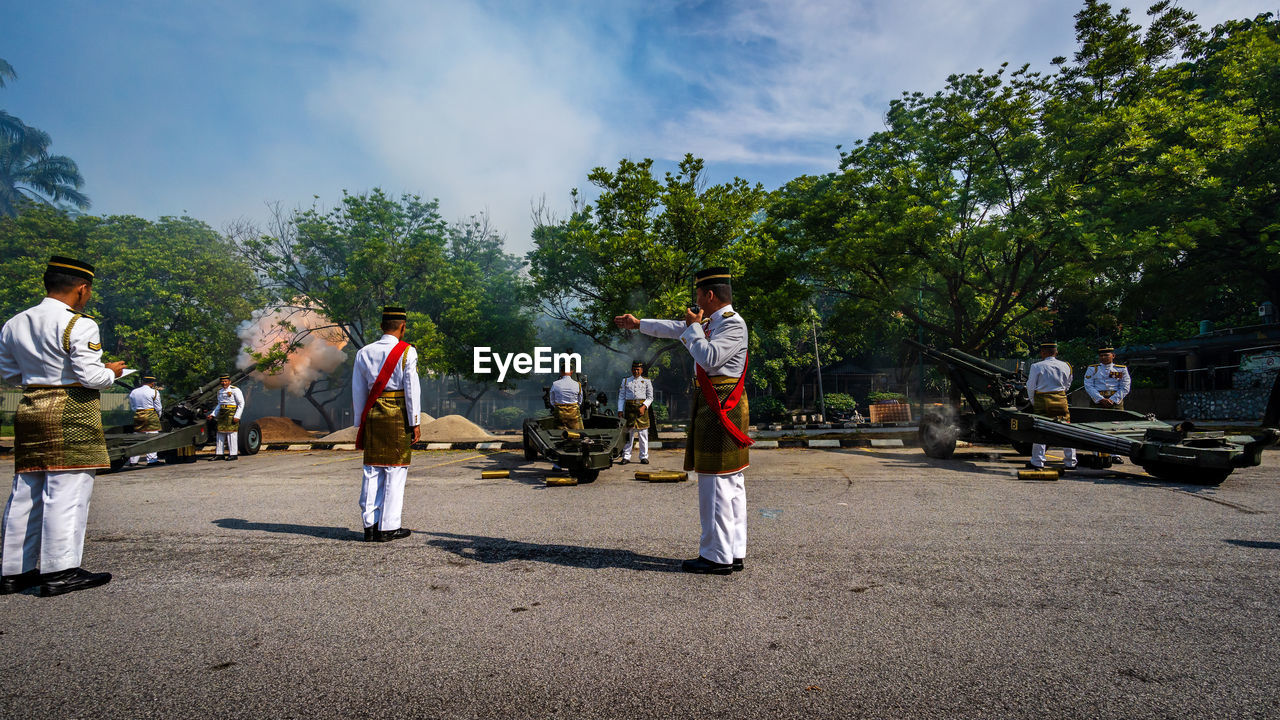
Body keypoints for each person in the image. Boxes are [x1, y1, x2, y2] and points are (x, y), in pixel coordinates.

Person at [0, 256, 126, 597]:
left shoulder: (14, 323)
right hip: (70, 413)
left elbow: (10, 375)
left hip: (30, 409)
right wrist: (112, 371)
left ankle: (14, 572)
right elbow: (91, 376)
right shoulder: (80, 324)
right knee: (67, 493)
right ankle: (61, 570)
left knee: (25, 490)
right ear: (82, 289)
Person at [615, 266, 751, 576]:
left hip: (720, 405)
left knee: (715, 481)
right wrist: (639, 325)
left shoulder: (733, 325)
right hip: (719, 403)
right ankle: (734, 549)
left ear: (710, 295)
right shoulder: (714, 322)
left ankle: (717, 556)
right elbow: (676, 328)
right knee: (730, 481)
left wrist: (693, 329)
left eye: (699, 295)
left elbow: (709, 357)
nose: (696, 301)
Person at [352, 306, 421, 543]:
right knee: (395, 469)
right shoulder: (407, 352)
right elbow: (411, 389)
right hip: (397, 414)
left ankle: (369, 526)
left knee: (371, 469)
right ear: (403, 327)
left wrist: (359, 421)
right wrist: (415, 421)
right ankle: (389, 527)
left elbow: (358, 390)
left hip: (372, 413)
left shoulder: (363, 352)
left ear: (382, 326)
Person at [1025, 341, 1077, 471]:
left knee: (1040, 431)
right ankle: (1071, 462)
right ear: (1056, 352)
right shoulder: (1066, 365)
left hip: (1043, 399)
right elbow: (1068, 384)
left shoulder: (1036, 366)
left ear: (1043, 352)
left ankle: (1038, 462)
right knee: (1066, 429)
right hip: (1061, 398)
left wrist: (1033, 401)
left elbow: (1030, 387)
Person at [617, 360, 654, 465]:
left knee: (643, 434)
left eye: (638, 369)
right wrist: (620, 410)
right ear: (631, 370)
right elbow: (621, 397)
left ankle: (644, 456)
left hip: (642, 409)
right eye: (634, 369)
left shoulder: (647, 381)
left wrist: (644, 406)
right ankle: (626, 456)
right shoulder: (625, 381)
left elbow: (650, 397)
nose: (636, 371)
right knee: (629, 434)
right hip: (629, 409)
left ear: (641, 370)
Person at [128, 375, 163, 466]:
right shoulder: (154, 392)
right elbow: (158, 407)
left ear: (142, 382)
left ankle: (133, 461)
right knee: (152, 437)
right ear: (152, 383)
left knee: (138, 438)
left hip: (138, 415)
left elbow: (132, 407)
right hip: (150, 414)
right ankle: (152, 460)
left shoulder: (134, 392)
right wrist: (158, 416)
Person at [207, 375, 245, 460]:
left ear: (229, 382)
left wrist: (237, 416)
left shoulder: (235, 390)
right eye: (222, 381)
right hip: (222, 413)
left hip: (232, 412)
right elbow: (219, 405)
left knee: (231, 433)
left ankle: (233, 454)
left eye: (226, 381)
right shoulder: (220, 391)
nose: (224, 383)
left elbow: (241, 403)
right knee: (220, 433)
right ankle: (219, 454)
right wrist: (213, 414)